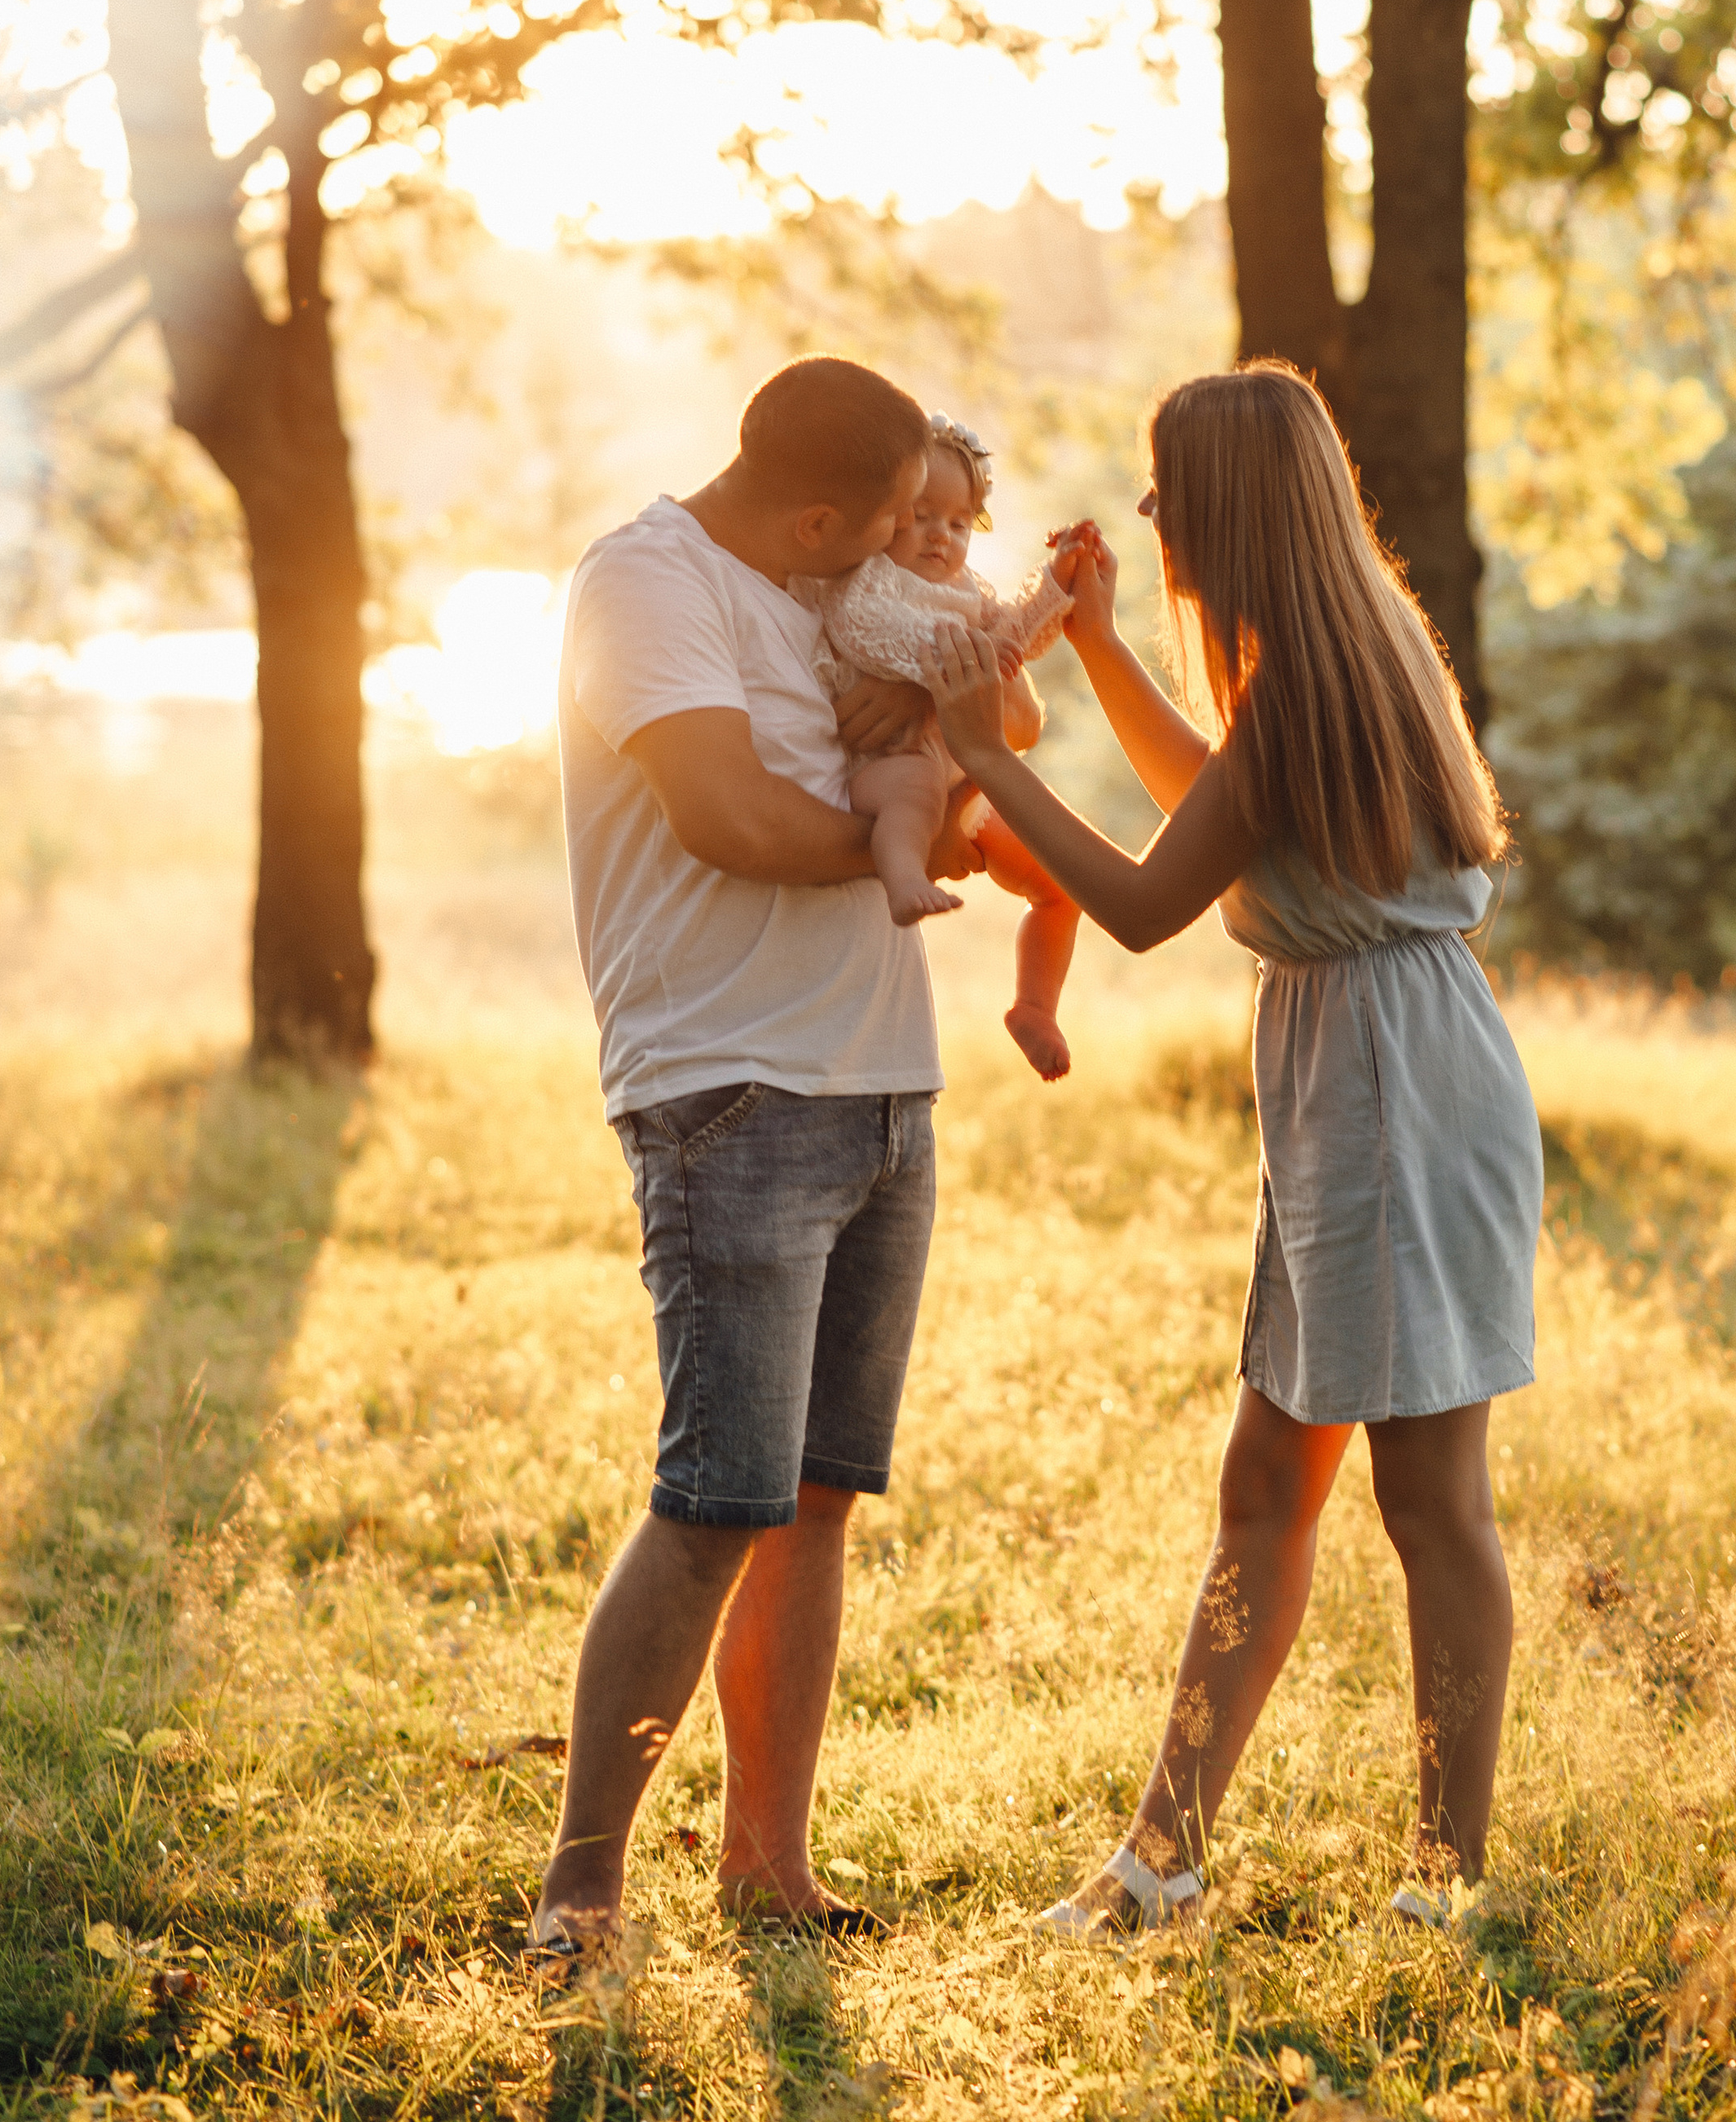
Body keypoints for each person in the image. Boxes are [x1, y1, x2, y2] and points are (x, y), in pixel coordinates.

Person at [923, 362, 1544, 1935]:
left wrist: (986, 758)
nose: (1144, 506)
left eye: (1165, 482)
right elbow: (1214, 804)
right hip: (1361, 1083)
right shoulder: (1327, 659)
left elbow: (1141, 902)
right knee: (1268, 1477)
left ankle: (1449, 1880)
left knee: (1431, 1499)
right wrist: (1102, 644)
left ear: (1233, 501)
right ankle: (1164, 1856)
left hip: (1396, 1092)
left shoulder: (1320, 681)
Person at [529, 354, 976, 1958]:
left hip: (878, 1081)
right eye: (874, 522)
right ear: (809, 511)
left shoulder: (838, 589)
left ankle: (766, 1867)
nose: (895, 545)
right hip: (727, 1085)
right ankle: (580, 1891)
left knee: (814, 1498)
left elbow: (986, 731)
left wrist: (946, 766)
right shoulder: (644, 587)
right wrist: (897, 838)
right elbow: (722, 815)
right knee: (715, 1499)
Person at [804, 413, 1085, 1080]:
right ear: (886, 514)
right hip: (892, 765)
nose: (942, 535)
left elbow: (1018, 640)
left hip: (969, 781)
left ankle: (1035, 1006)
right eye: (923, 515)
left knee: (1060, 882)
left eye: (959, 523)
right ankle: (904, 876)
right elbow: (867, 633)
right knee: (917, 791)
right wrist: (962, 666)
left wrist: (1059, 584)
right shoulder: (869, 580)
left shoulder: (966, 592)